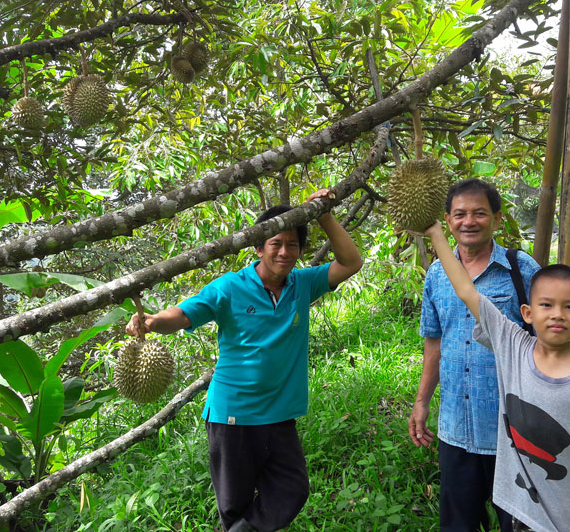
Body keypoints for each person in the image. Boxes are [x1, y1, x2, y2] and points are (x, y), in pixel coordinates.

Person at [125, 188, 363, 532]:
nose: (284, 252)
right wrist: (151, 321)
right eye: (275, 244)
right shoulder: (230, 287)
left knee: (293, 489)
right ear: (258, 247)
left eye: (292, 245)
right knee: (234, 506)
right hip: (233, 416)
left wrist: (324, 214)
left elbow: (351, 262)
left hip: (280, 414)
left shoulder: (304, 284)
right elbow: (183, 314)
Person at [423, 219, 570, 532]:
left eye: (569, 307)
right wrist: (437, 234)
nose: (557, 314)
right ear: (527, 314)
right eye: (546, 305)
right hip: (522, 513)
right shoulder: (512, 347)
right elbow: (467, 291)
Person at [408, 178, 539, 532]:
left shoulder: (521, 269)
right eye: (460, 214)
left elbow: (548, 345)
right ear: (448, 221)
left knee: (519, 524)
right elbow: (434, 342)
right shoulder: (437, 274)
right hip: (455, 429)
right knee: (458, 525)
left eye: (479, 213)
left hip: (512, 431)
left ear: (497, 220)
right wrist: (422, 401)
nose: (469, 221)